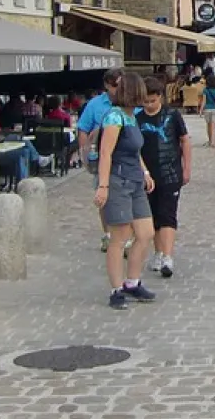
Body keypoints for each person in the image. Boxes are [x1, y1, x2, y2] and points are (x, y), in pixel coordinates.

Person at [94, 72, 158, 310]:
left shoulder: (131, 117)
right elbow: (106, 153)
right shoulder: (114, 117)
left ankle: (132, 281)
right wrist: (103, 186)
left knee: (145, 232)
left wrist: (145, 172)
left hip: (134, 180)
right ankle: (116, 289)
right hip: (118, 181)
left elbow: (135, 151)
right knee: (119, 237)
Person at [137, 78, 191, 279]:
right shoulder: (138, 119)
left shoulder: (173, 115)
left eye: (152, 101)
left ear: (159, 97)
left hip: (170, 172)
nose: (149, 105)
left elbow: (184, 140)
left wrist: (187, 168)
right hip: (147, 176)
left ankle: (168, 256)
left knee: (168, 213)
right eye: (145, 101)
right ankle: (158, 252)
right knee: (153, 216)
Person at [78, 69, 125, 252]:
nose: (117, 89)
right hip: (100, 157)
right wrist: (85, 154)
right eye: (114, 85)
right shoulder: (95, 104)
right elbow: (83, 128)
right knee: (103, 197)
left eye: (120, 85)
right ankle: (108, 234)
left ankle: (126, 235)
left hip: (124, 157)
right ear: (106, 85)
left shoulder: (129, 102)